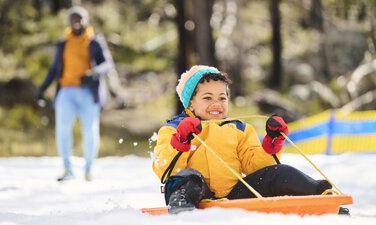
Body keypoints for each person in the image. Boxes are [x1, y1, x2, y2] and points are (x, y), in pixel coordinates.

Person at [151, 65, 333, 214]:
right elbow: (164, 169)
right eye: (207, 98)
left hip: (233, 195)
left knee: (278, 172)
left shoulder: (238, 129)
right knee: (190, 177)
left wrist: (272, 143)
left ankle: (320, 194)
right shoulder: (173, 129)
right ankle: (181, 212)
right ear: (190, 102)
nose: (216, 104)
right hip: (196, 196)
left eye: (222, 98)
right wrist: (181, 140)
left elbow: (256, 166)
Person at [35, 6, 116, 182]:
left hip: (88, 93)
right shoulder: (63, 43)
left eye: (80, 18)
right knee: (63, 130)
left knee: (90, 131)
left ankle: (88, 169)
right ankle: (67, 169)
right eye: (74, 18)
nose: (77, 21)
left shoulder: (95, 41)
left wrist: (93, 73)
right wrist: (42, 89)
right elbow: (54, 69)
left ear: (85, 21)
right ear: (70, 22)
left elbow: (107, 64)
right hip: (66, 91)